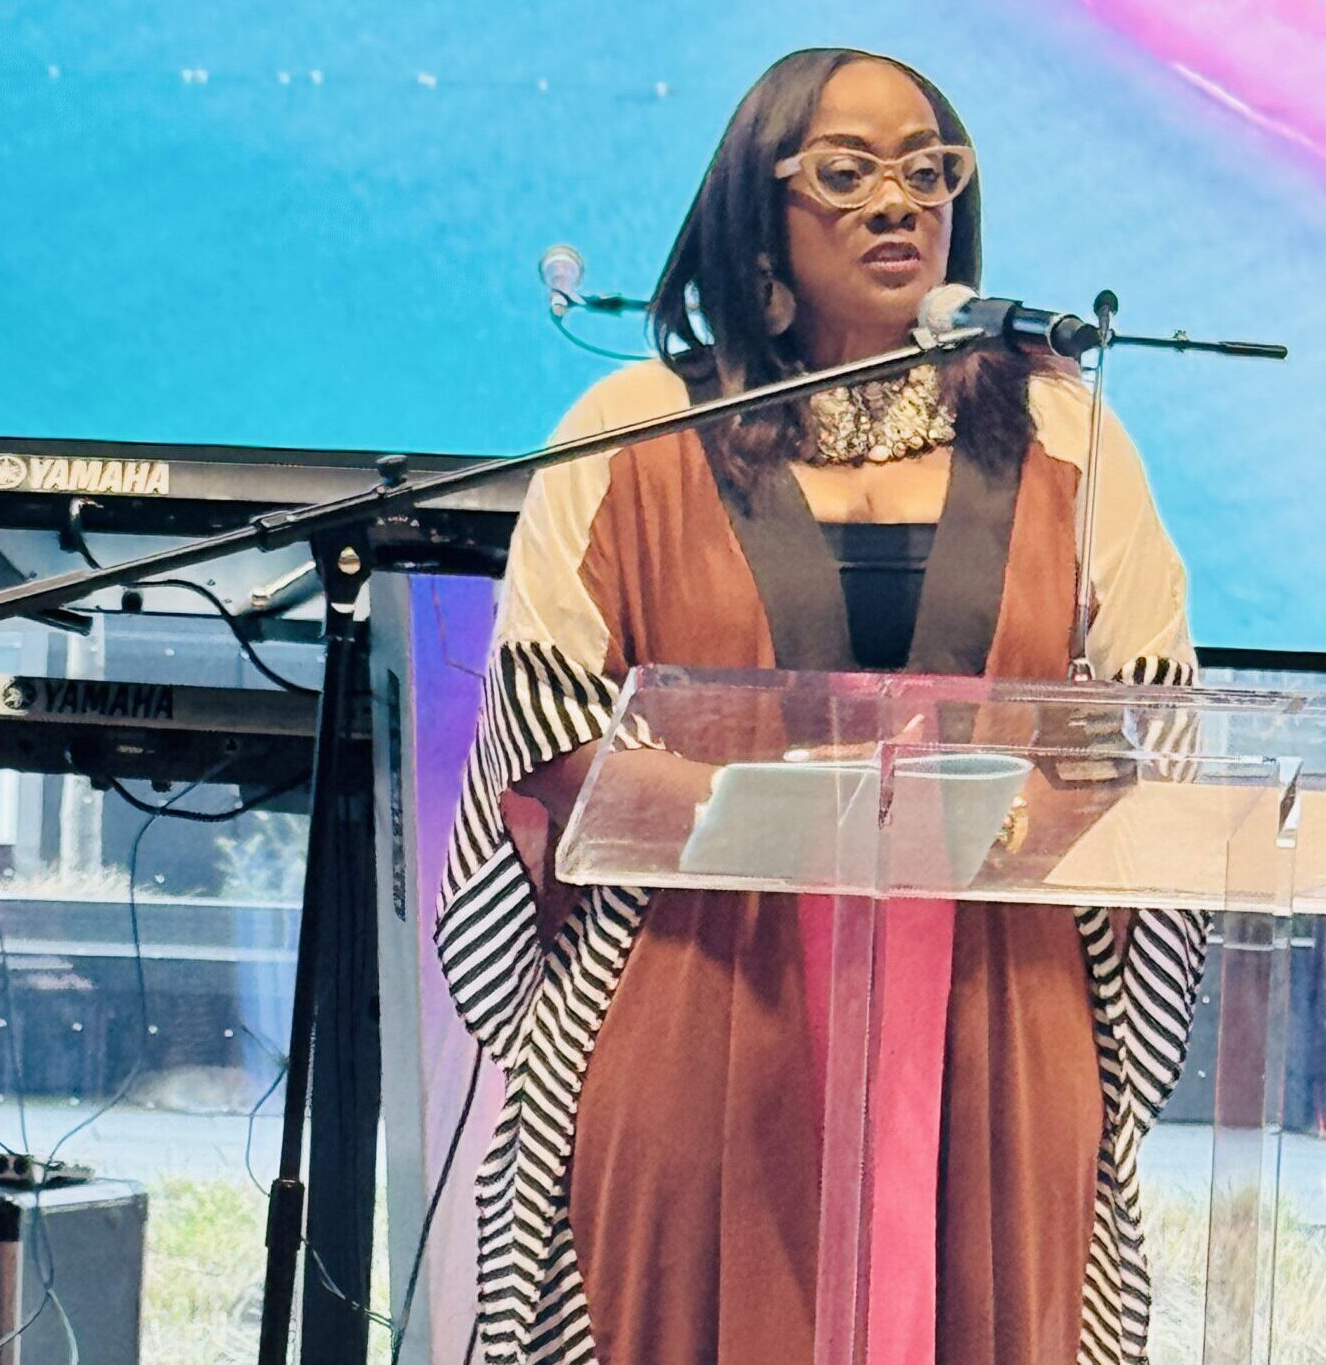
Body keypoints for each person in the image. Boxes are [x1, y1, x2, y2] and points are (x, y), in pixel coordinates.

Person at [436, 47, 1203, 1365]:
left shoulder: (1070, 434)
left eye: (928, 170)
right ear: (757, 211)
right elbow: (550, 746)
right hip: (698, 1001)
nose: (898, 201)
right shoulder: (630, 430)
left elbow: (1144, 732)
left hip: (1001, 1015)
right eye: (847, 173)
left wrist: (1011, 815)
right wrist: (800, 825)